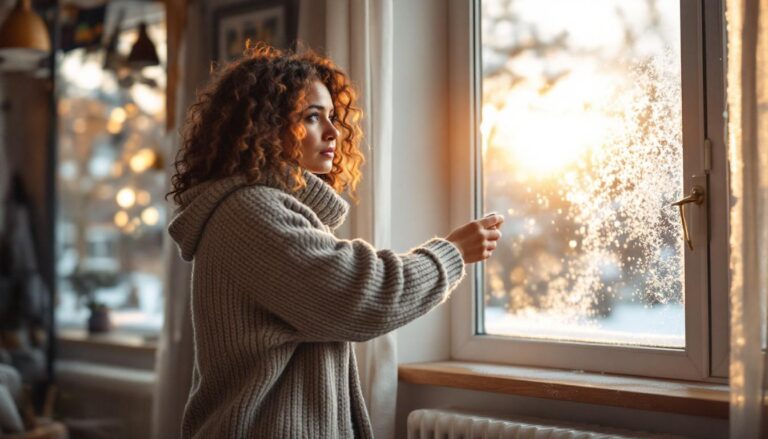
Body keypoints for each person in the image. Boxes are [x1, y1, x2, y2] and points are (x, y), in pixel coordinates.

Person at [167, 44, 504, 439]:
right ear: (265, 126)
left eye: (332, 116)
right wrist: (452, 253)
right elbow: (359, 295)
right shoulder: (249, 213)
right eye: (312, 117)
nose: (333, 132)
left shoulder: (263, 208)